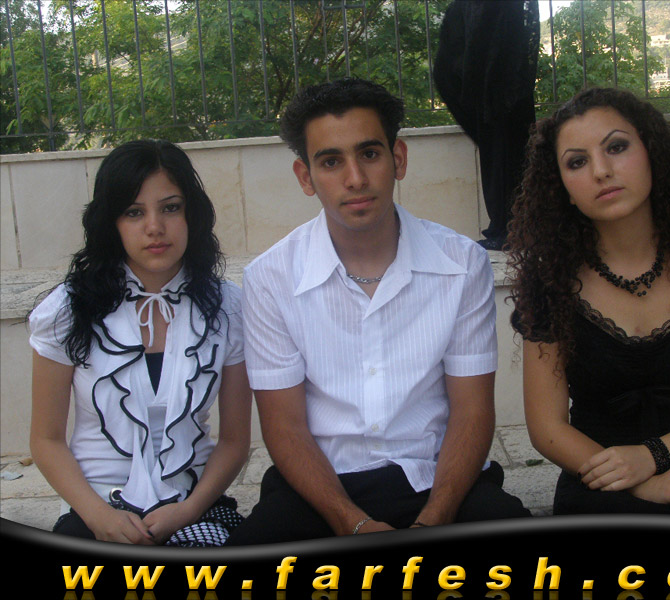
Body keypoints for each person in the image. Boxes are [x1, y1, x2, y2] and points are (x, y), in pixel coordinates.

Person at [225, 78, 530, 545]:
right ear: (305, 177)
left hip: (437, 478)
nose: (355, 179)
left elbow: (472, 412)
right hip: (322, 487)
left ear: (398, 159)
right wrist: (355, 525)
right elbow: (284, 427)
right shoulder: (270, 278)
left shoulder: (462, 264)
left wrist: (432, 522)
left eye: (369, 154)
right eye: (331, 161)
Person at [507, 87, 670, 520]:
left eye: (616, 147)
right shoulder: (549, 284)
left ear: (652, 153)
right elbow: (547, 429)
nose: (602, 171)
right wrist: (642, 482)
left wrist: (652, 457)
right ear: (563, 188)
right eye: (577, 162)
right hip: (598, 477)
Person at [28, 139, 252, 545]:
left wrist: (187, 511)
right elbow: (46, 440)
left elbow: (235, 441)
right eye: (134, 212)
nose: (154, 227)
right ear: (110, 222)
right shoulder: (66, 311)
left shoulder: (228, 307)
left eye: (171, 207)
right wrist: (99, 516)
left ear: (192, 213)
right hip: (95, 507)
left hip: (194, 502)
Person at [433, 0, 539, 250]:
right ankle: (511, 227)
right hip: (499, 92)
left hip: (501, 92)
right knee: (507, 158)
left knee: (509, 158)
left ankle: (511, 229)